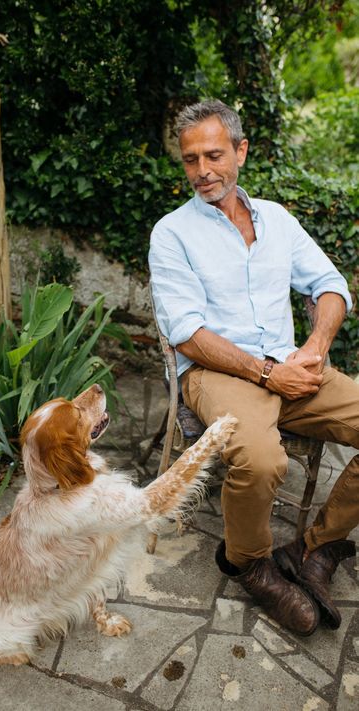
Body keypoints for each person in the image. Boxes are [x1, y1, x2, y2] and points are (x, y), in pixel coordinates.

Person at [148, 99, 358, 637]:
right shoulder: (171, 234)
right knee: (264, 462)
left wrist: (315, 343)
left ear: (241, 151)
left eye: (214, 155)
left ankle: (314, 548)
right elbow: (189, 334)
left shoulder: (277, 220)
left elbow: (331, 286)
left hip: (291, 365)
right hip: (215, 372)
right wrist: (266, 375)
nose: (202, 171)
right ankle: (250, 563)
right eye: (190, 160)